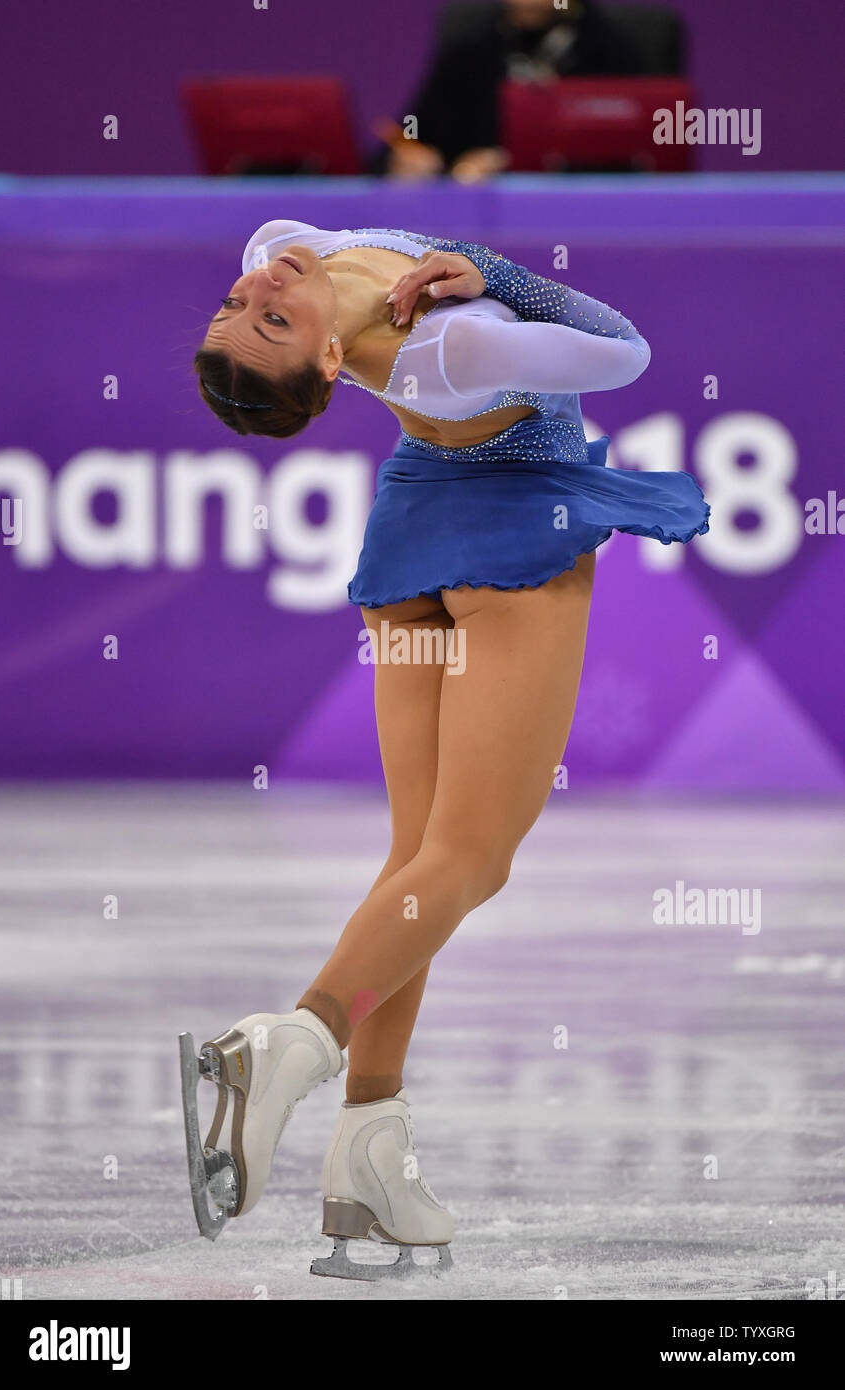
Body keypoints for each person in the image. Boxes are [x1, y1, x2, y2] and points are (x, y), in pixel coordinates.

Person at [183, 219, 709, 1278]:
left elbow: (278, 261)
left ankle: (367, 1152)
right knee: (471, 859)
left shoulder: (282, 240)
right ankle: (291, 1044)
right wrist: (502, 279)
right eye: (269, 318)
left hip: (416, 525)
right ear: (332, 363)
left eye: (240, 307)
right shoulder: (455, 353)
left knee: (417, 859)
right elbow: (623, 352)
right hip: (505, 533)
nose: (254, 288)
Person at [378, 0, 642, 182]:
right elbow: (409, 135)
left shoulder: (608, 51)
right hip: (478, 220)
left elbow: (630, 155)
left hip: (578, 212)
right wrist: (405, 156)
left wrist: (508, 161)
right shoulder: (469, 53)